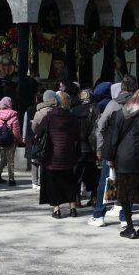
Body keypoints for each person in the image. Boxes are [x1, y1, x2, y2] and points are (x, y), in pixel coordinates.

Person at [105, 87, 139, 239]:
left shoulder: (120, 114)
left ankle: (130, 228)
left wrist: (110, 157)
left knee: (124, 194)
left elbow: (114, 139)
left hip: (124, 158)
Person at [89, 77, 134, 228]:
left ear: (122, 88)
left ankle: (99, 215)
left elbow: (101, 126)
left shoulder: (114, 104)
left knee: (107, 180)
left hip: (112, 149)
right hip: (132, 150)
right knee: (127, 183)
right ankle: (125, 217)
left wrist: (100, 147)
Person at [38, 90, 82, 218]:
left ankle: (56, 210)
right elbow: (77, 135)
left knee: (53, 184)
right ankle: (72, 208)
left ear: (56, 102)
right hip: (69, 156)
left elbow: (39, 132)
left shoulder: (49, 117)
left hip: (52, 157)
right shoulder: (72, 117)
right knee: (69, 182)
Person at [72, 88, 100, 203]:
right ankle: (94, 197)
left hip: (79, 146)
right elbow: (98, 126)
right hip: (92, 146)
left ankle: (77, 198)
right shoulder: (96, 107)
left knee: (78, 172)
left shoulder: (75, 110)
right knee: (94, 172)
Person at [0, 96, 22, 185]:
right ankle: (11, 179)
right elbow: (16, 131)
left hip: (0, 141)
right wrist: (19, 141)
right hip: (11, 142)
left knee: (3, 159)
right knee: (10, 161)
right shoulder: (13, 115)